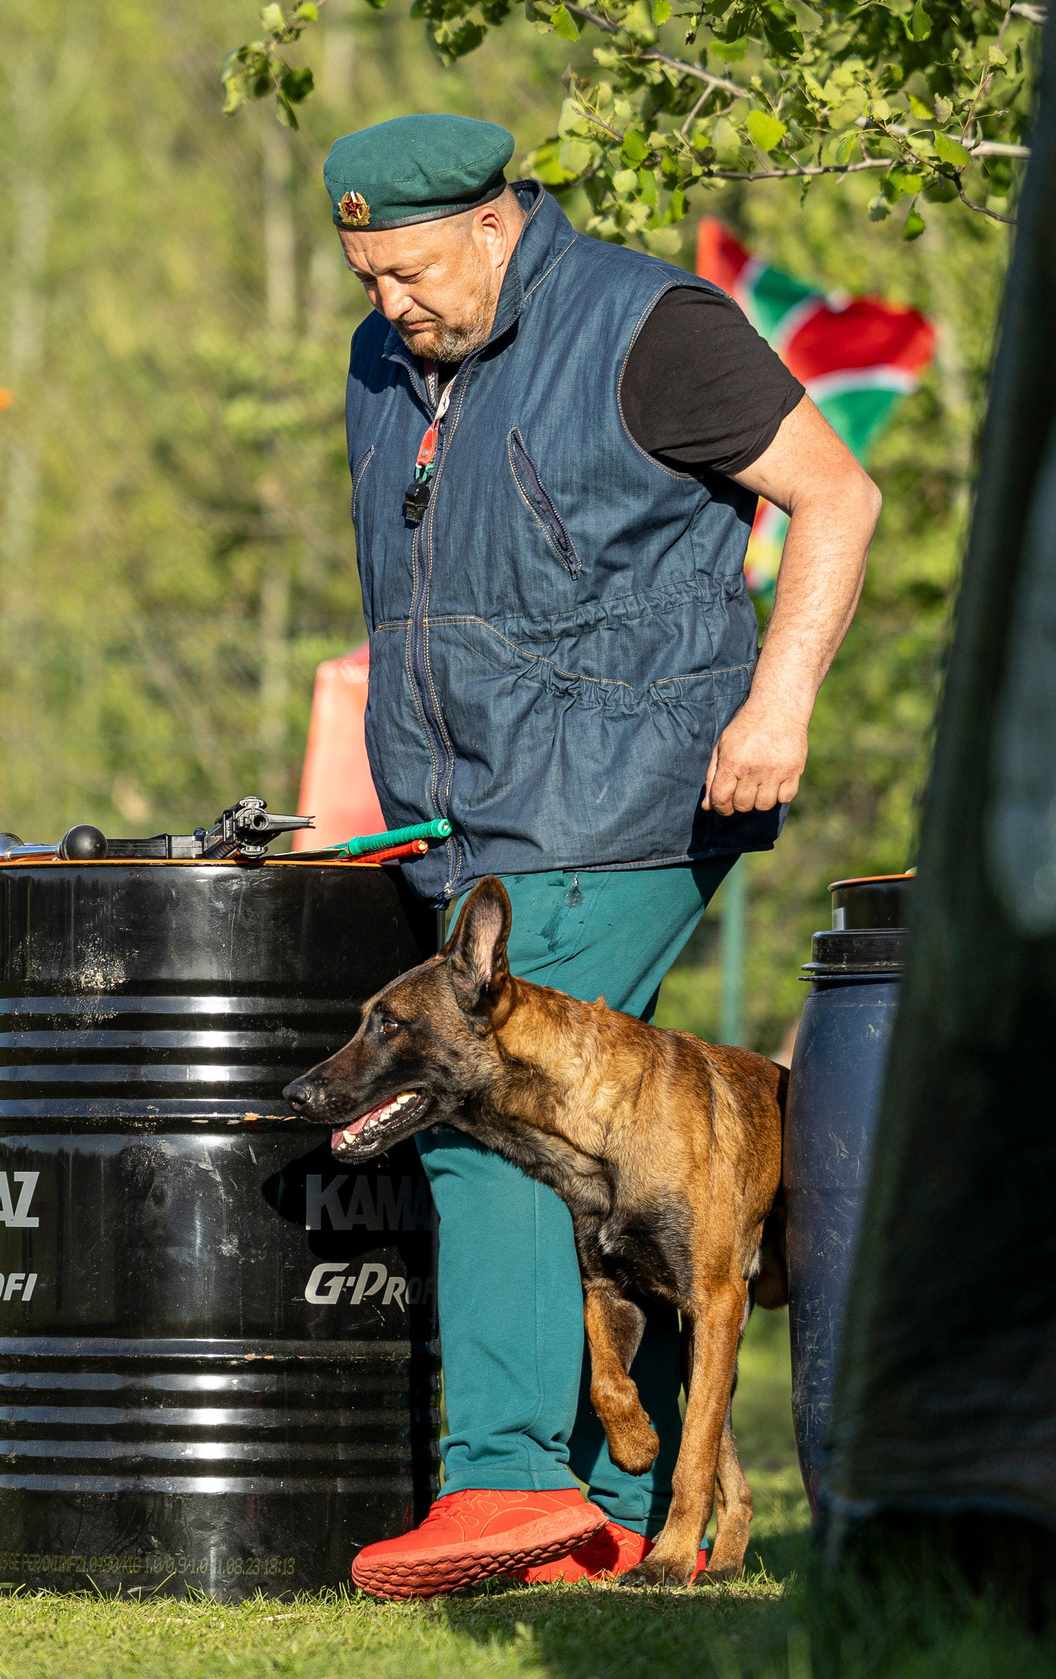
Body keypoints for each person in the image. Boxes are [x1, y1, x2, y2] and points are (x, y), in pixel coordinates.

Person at [324, 112, 883, 1598]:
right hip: (463, 818)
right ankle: (626, 1490)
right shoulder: (384, 367)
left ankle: (509, 1478)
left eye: (414, 269)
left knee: (481, 1097)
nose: (391, 303)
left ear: (498, 227)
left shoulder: (654, 327)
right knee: (573, 1153)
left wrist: (783, 699)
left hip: (630, 791)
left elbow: (839, 494)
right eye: (368, 271)